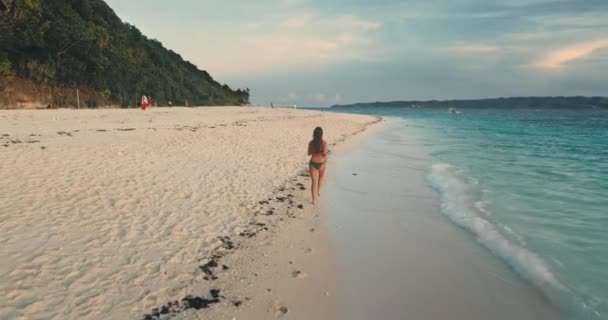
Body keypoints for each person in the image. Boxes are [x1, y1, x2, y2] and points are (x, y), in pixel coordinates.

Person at [307, 127, 328, 205]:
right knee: (321, 177)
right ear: (321, 134)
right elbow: (325, 154)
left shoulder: (311, 143)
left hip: (313, 163)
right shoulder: (324, 143)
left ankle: (314, 200)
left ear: (314, 134)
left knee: (314, 182)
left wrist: (314, 151)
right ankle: (318, 191)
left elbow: (309, 153)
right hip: (321, 163)